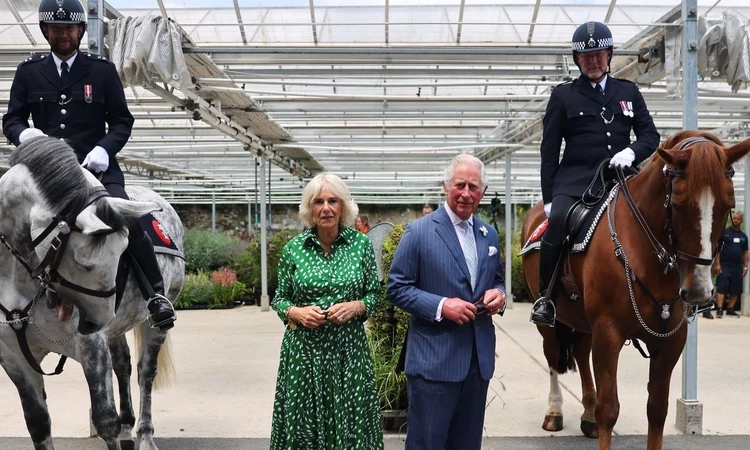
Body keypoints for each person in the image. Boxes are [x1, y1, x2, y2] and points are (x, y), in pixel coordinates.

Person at [1, 0, 175, 330]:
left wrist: (104, 150)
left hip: (95, 168)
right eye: (56, 28)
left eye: (69, 28)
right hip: (45, 175)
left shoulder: (102, 71)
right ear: (46, 31)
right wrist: (24, 134)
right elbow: (12, 119)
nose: (63, 34)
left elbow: (122, 121)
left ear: (81, 31)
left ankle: (155, 295)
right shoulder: (28, 71)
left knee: (125, 219)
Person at [530, 21, 660, 327]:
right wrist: (550, 198)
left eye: (599, 54)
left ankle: (672, 290)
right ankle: (545, 298)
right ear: (577, 60)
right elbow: (549, 151)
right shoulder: (563, 96)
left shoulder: (628, 91)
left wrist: (631, 152)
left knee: (660, 216)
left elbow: (650, 136)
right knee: (558, 222)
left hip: (623, 178)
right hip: (575, 181)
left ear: (609, 54)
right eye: (586, 56)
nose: (593, 61)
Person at [387, 154, 506, 450]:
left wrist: (499, 295)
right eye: (460, 185)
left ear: (483, 192)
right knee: (427, 443)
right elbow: (397, 288)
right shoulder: (419, 232)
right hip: (434, 363)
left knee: (466, 444)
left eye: (474, 187)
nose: (466, 193)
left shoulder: (488, 233)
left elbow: (498, 279)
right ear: (445, 186)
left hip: (477, 363)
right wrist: (442, 306)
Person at [270, 173, 383, 449]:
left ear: (343, 206)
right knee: (302, 424)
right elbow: (279, 299)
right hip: (304, 353)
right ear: (310, 209)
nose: (326, 208)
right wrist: (296, 313)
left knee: (353, 422)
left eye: (333, 201)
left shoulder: (361, 246)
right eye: (318, 202)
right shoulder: (294, 249)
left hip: (349, 353)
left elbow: (374, 295)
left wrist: (356, 306)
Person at [704, 211, 748, 319]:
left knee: (736, 288)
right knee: (721, 287)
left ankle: (730, 309)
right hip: (724, 265)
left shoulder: (743, 236)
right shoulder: (725, 233)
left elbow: (746, 252)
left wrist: (746, 266)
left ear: (741, 221)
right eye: (735, 218)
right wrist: (717, 264)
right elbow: (718, 249)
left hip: (737, 266)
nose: (736, 220)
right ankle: (719, 309)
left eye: (738, 219)